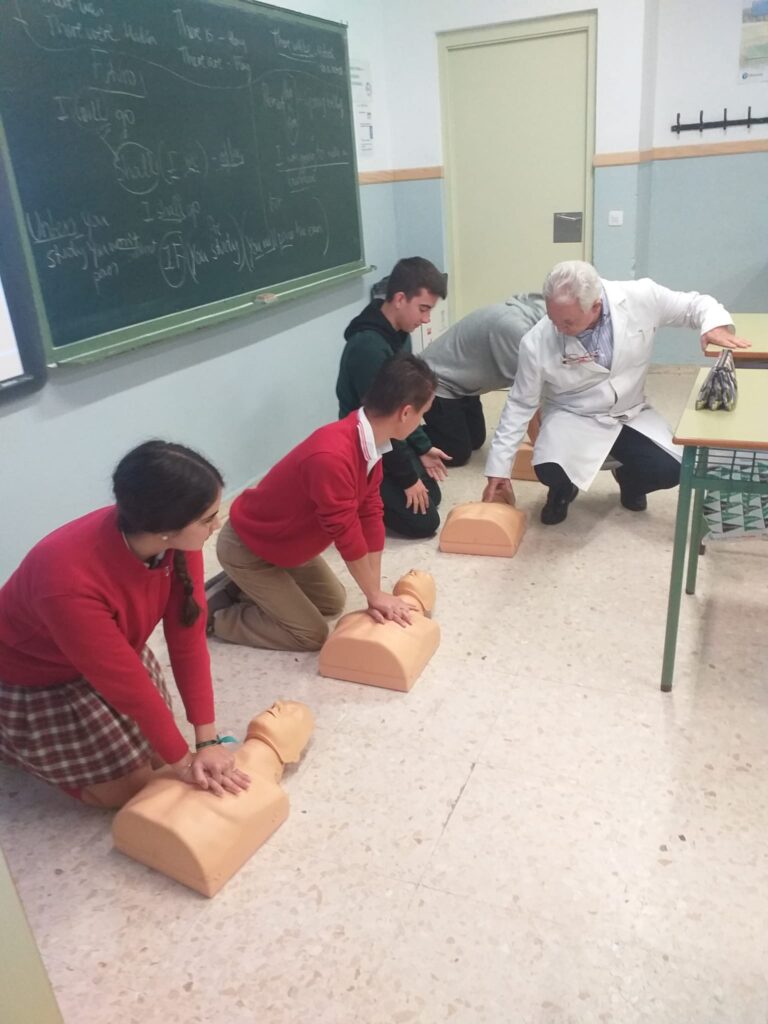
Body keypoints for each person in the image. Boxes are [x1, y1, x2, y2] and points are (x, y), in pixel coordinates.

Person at [0, 441, 250, 808]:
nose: (218, 523)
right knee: (130, 789)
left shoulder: (172, 541)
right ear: (165, 528)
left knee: (159, 758)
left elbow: (188, 641)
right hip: (38, 678)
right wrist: (184, 764)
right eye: (207, 518)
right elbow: (126, 685)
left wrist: (207, 740)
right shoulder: (66, 579)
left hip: (114, 651)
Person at [482, 260, 752, 525]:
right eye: (553, 318)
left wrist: (713, 324)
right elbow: (520, 404)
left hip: (629, 412)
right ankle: (562, 490)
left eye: (567, 322)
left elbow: (695, 305)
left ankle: (631, 482)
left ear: (596, 306)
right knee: (548, 469)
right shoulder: (537, 341)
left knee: (672, 469)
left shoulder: (641, 297)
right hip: (573, 415)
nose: (557, 328)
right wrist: (499, 469)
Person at [210, 354, 438, 652]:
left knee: (332, 602)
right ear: (406, 413)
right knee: (311, 635)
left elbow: (370, 512)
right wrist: (373, 595)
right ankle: (215, 616)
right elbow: (345, 532)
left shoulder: (373, 442)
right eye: (423, 414)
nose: (423, 421)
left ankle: (245, 588)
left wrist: (375, 591)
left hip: (289, 546)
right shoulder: (332, 455)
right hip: (250, 547)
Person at [336, 256, 449, 538]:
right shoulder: (368, 348)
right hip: (364, 446)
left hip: (388, 436)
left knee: (431, 495)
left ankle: (385, 488)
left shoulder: (399, 333)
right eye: (423, 309)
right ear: (400, 299)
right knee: (424, 523)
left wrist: (422, 447)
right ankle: (354, 491)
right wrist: (408, 479)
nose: (426, 319)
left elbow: (408, 403)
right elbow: (383, 419)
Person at [422, 293, 546, 465]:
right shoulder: (518, 331)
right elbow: (526, 398)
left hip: (465, 385)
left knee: (475, 440)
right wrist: (543, 453)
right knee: (456, 453)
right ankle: (408, 437)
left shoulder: (545, 315)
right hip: (436, 381)